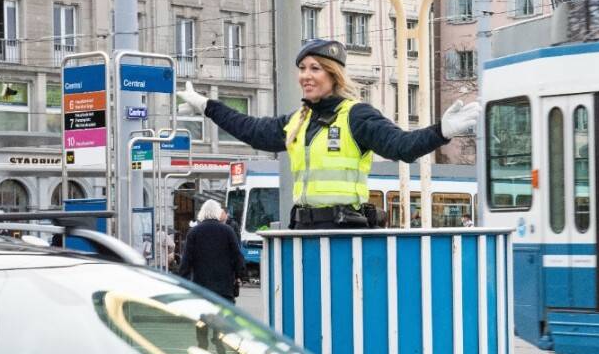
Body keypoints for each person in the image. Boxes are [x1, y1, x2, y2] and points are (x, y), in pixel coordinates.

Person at [179, 38, 480, 229]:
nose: (305, 76)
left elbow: (401, 146)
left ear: (333, 75)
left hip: (343, 231)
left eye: (315, 68)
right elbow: (254, 132)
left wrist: (442, 132)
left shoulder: (355, 114)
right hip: (304, 229)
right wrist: (208, 106)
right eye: (302, 68)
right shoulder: (298, 120)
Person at [178, 199, 246, 302]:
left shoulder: (194, 232)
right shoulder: (228, 231)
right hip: (224, 289)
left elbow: (186, 261)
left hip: (201, 289)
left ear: (202, 213)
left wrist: (185, 281)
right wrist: (239, 276)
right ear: (218, 212)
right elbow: (237, 257)